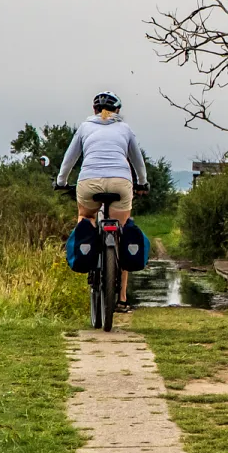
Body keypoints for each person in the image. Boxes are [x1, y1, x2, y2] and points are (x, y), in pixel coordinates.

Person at [55, 91, 148, 311]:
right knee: (122, 231)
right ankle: (122, 298)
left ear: (94, 110)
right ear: (118, 111)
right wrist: (142, 183)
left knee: (85, 217)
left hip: (89, 183)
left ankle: (87, 255)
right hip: (120, 183)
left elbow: (70, 158)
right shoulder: (125, 129)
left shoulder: (85, 128)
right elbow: (138, 161)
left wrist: (61, 181)